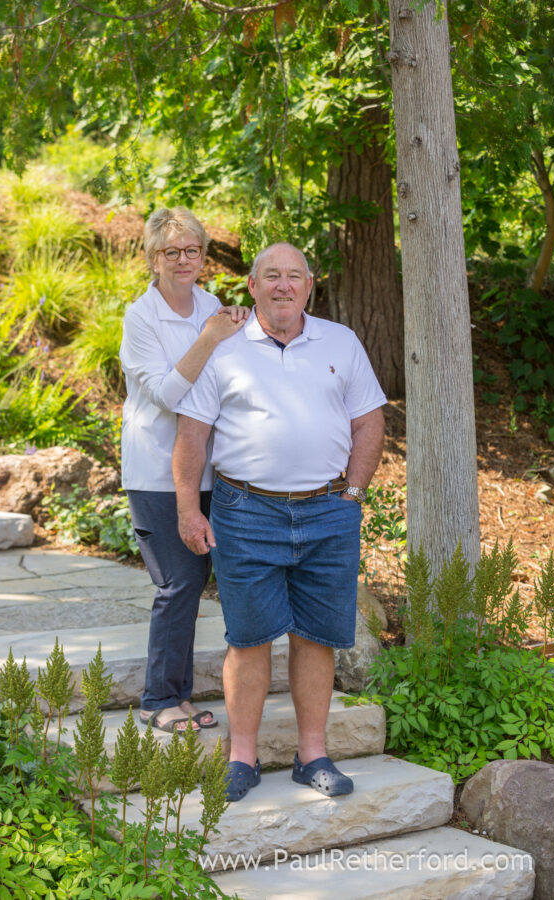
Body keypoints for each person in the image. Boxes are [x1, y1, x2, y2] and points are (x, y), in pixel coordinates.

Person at [173, 241, 386, 800]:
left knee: (316, 637)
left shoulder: (341, 342)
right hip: (246, 513)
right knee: (249, 638)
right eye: (271, 276)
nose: (283, 285)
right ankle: (240, 757)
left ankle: (311, 754)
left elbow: (369, 422)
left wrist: (355, 493)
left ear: (310, 285)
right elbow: (192, 436)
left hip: (329, 510)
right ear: (252, 286)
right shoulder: (224, 350)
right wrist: (189, 510)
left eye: (294, 276)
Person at [119, 206, 248, 734]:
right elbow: (169, 394)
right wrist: (212, 337)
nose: (183, 260)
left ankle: (180, 697)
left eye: (191, 250)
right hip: (155, 472)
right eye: (170, 252)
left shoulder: (211, 305)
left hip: (211, 468)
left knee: (195, 584)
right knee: (176, 583)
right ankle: (156, 700)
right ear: (153, 259)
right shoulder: (140, 317)